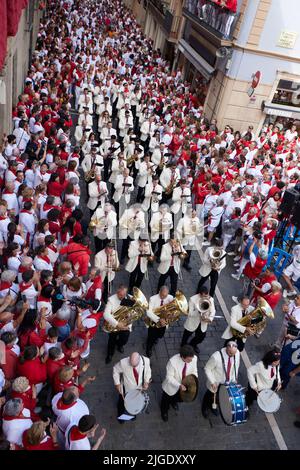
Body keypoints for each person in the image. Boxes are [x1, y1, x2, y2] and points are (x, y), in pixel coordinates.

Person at [202, 339, 241, 418]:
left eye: (234, 353)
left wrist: (234, 377)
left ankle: (214, 406)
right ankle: (204, 407)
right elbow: (207, 369)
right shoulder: (216, 357)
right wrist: (212, 382)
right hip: (216, 383)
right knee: (209, 395)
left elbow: (236, 365)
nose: (232, 355)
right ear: (226, 348)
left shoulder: (237, 353)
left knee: (219, 397)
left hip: (227, 383)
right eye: (230, 353)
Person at [160, 345, 198, 422]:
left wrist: (194, 379)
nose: (191, 361)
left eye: (191, 359)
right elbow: (169, 377)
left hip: (185, 386)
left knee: (179, 398)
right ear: (182, 357)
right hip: (171, 387)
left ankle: (173, 402)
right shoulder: (172, 362)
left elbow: (194, 370)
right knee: (166, 400)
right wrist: (179, 385)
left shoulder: (194, 358)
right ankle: (164, 411)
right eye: (189, 360)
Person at [113, 352, 151, 422]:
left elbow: (148, 371)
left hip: (138, 389)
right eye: (131, 364)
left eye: (134, 366)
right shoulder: (123, 362)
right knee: (121, 404)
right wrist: (117, 384)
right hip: (126, 389)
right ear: (129, 359)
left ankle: (132, 414)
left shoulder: (146, 361)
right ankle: (121, 416)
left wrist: (146, 381)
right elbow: (115, 370)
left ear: (139, 360)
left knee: (135, 404)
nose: (132, 367)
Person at [103, 285, 132, 364]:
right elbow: (106, 314)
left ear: (126, 293)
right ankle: (110, 354)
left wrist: (128, 323)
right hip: (114, 325)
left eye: (123, 295)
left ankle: (119, 345)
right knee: (111, 341)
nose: (121, 297)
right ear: (117, 292)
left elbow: (132, 314)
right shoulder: (111, 300)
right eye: (119, 295)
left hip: (125, 325)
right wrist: (117, 324)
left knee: (124, 340)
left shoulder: (130, 299)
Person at [181, 286, 216, 353]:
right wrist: (198, 310)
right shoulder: (193, 299)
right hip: (192, 322)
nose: (206, 298)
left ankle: (192, 344)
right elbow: (190, 313)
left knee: (201, 337)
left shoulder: (210, 299)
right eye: (204, 296)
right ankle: (183, 346)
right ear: (200, 294)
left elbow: (213, 311)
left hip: (203, 322)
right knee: (186, 335)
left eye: (207, 295)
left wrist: (210, 318)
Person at [145, 286, 174, 357]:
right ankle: (148, 348)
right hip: (154, 321)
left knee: (160, 335)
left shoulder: (170, 297)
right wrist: (158, 319)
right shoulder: (153, 299)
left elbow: (173, 307)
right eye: (162, 295)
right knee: (151, 337)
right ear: (159, 292)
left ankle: (156, 338)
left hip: (164, 321)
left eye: (165, 296)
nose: (164, 297)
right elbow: (149, 312)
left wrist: (171, 314)